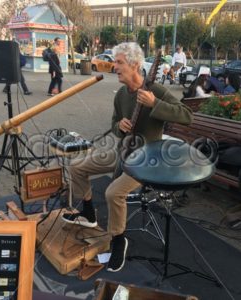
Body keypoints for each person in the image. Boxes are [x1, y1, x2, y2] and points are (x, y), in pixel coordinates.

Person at [61, 42, 193, 272]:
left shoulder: (156, 90)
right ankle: (88, 213)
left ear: (135, 65)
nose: (115, 67)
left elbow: (187, 115)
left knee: (114, 192)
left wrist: (155, 104)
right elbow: (114, 124)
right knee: (77, 166)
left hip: (147, 159)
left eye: (120, 62)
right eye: (115, 62)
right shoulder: (121, 94)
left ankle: (118, 240)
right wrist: (119, 127)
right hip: (123, 150)